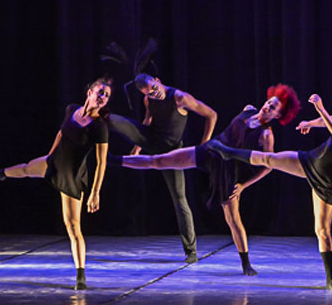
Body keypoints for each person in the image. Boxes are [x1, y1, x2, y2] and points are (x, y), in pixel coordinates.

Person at [109, 85, 300, 276]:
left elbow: (268, 165)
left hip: (227, 170)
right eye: (269, 102)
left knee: (233, 219)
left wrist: (243, 185)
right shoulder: (248, 109)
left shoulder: (266, 135)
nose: (268, 107)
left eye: (273, 108)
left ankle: (246, 263)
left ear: (278, 116)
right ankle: (115, 160)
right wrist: (207, 143)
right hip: (210, 151)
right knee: (160, 160)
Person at [208, 95, 332, 289]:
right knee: (270, 159)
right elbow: (327, 121)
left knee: (322, 231)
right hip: (311, 160)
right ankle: (226, 151)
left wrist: (320, 108)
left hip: (327, 178)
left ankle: (331, 280)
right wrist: (311, 123)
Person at [0, 77, 113, 290]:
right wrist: (49, 157)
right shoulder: (72, 109)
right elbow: (61, 133)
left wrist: (95, 192)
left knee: (73, 226)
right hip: (55, 162)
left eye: (106, 96)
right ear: (89, 91)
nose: (103, 97)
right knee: (25, 169)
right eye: (100, 92)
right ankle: (1, 173)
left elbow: (101, 163)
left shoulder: (99, 127)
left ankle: (81, 274)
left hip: (71, 176)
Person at [108, 74, 218, 263]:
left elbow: (211, 114)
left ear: (157, 80)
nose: (154, 94)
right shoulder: (148, 99)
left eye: (154, 88)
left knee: (180, 199)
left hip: (172, 152)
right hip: (151, 139)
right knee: (112, 120)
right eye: (149, 93)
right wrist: (136, 148)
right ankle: (86, 119)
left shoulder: (180, 98)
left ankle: (191, 251)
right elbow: (147, 122)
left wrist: (204, 144)